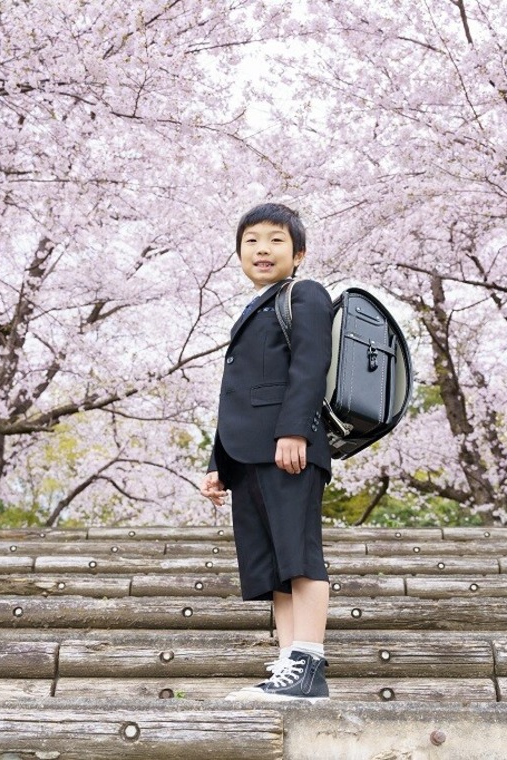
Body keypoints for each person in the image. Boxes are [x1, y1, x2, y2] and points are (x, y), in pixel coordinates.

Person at [200, 202, 333, 702]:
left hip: (289, 448)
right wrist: (218, 463)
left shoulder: (306, 294)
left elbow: (311, 364)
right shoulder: (254, 307)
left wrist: (296, 431)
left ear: (298, 253)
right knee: (275, 565)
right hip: (248, 454)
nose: (262, 249)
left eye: (276, 240)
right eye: (251, 240)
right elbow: (235, 393)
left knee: (299, 555)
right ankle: (287, 667)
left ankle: (309, 664)